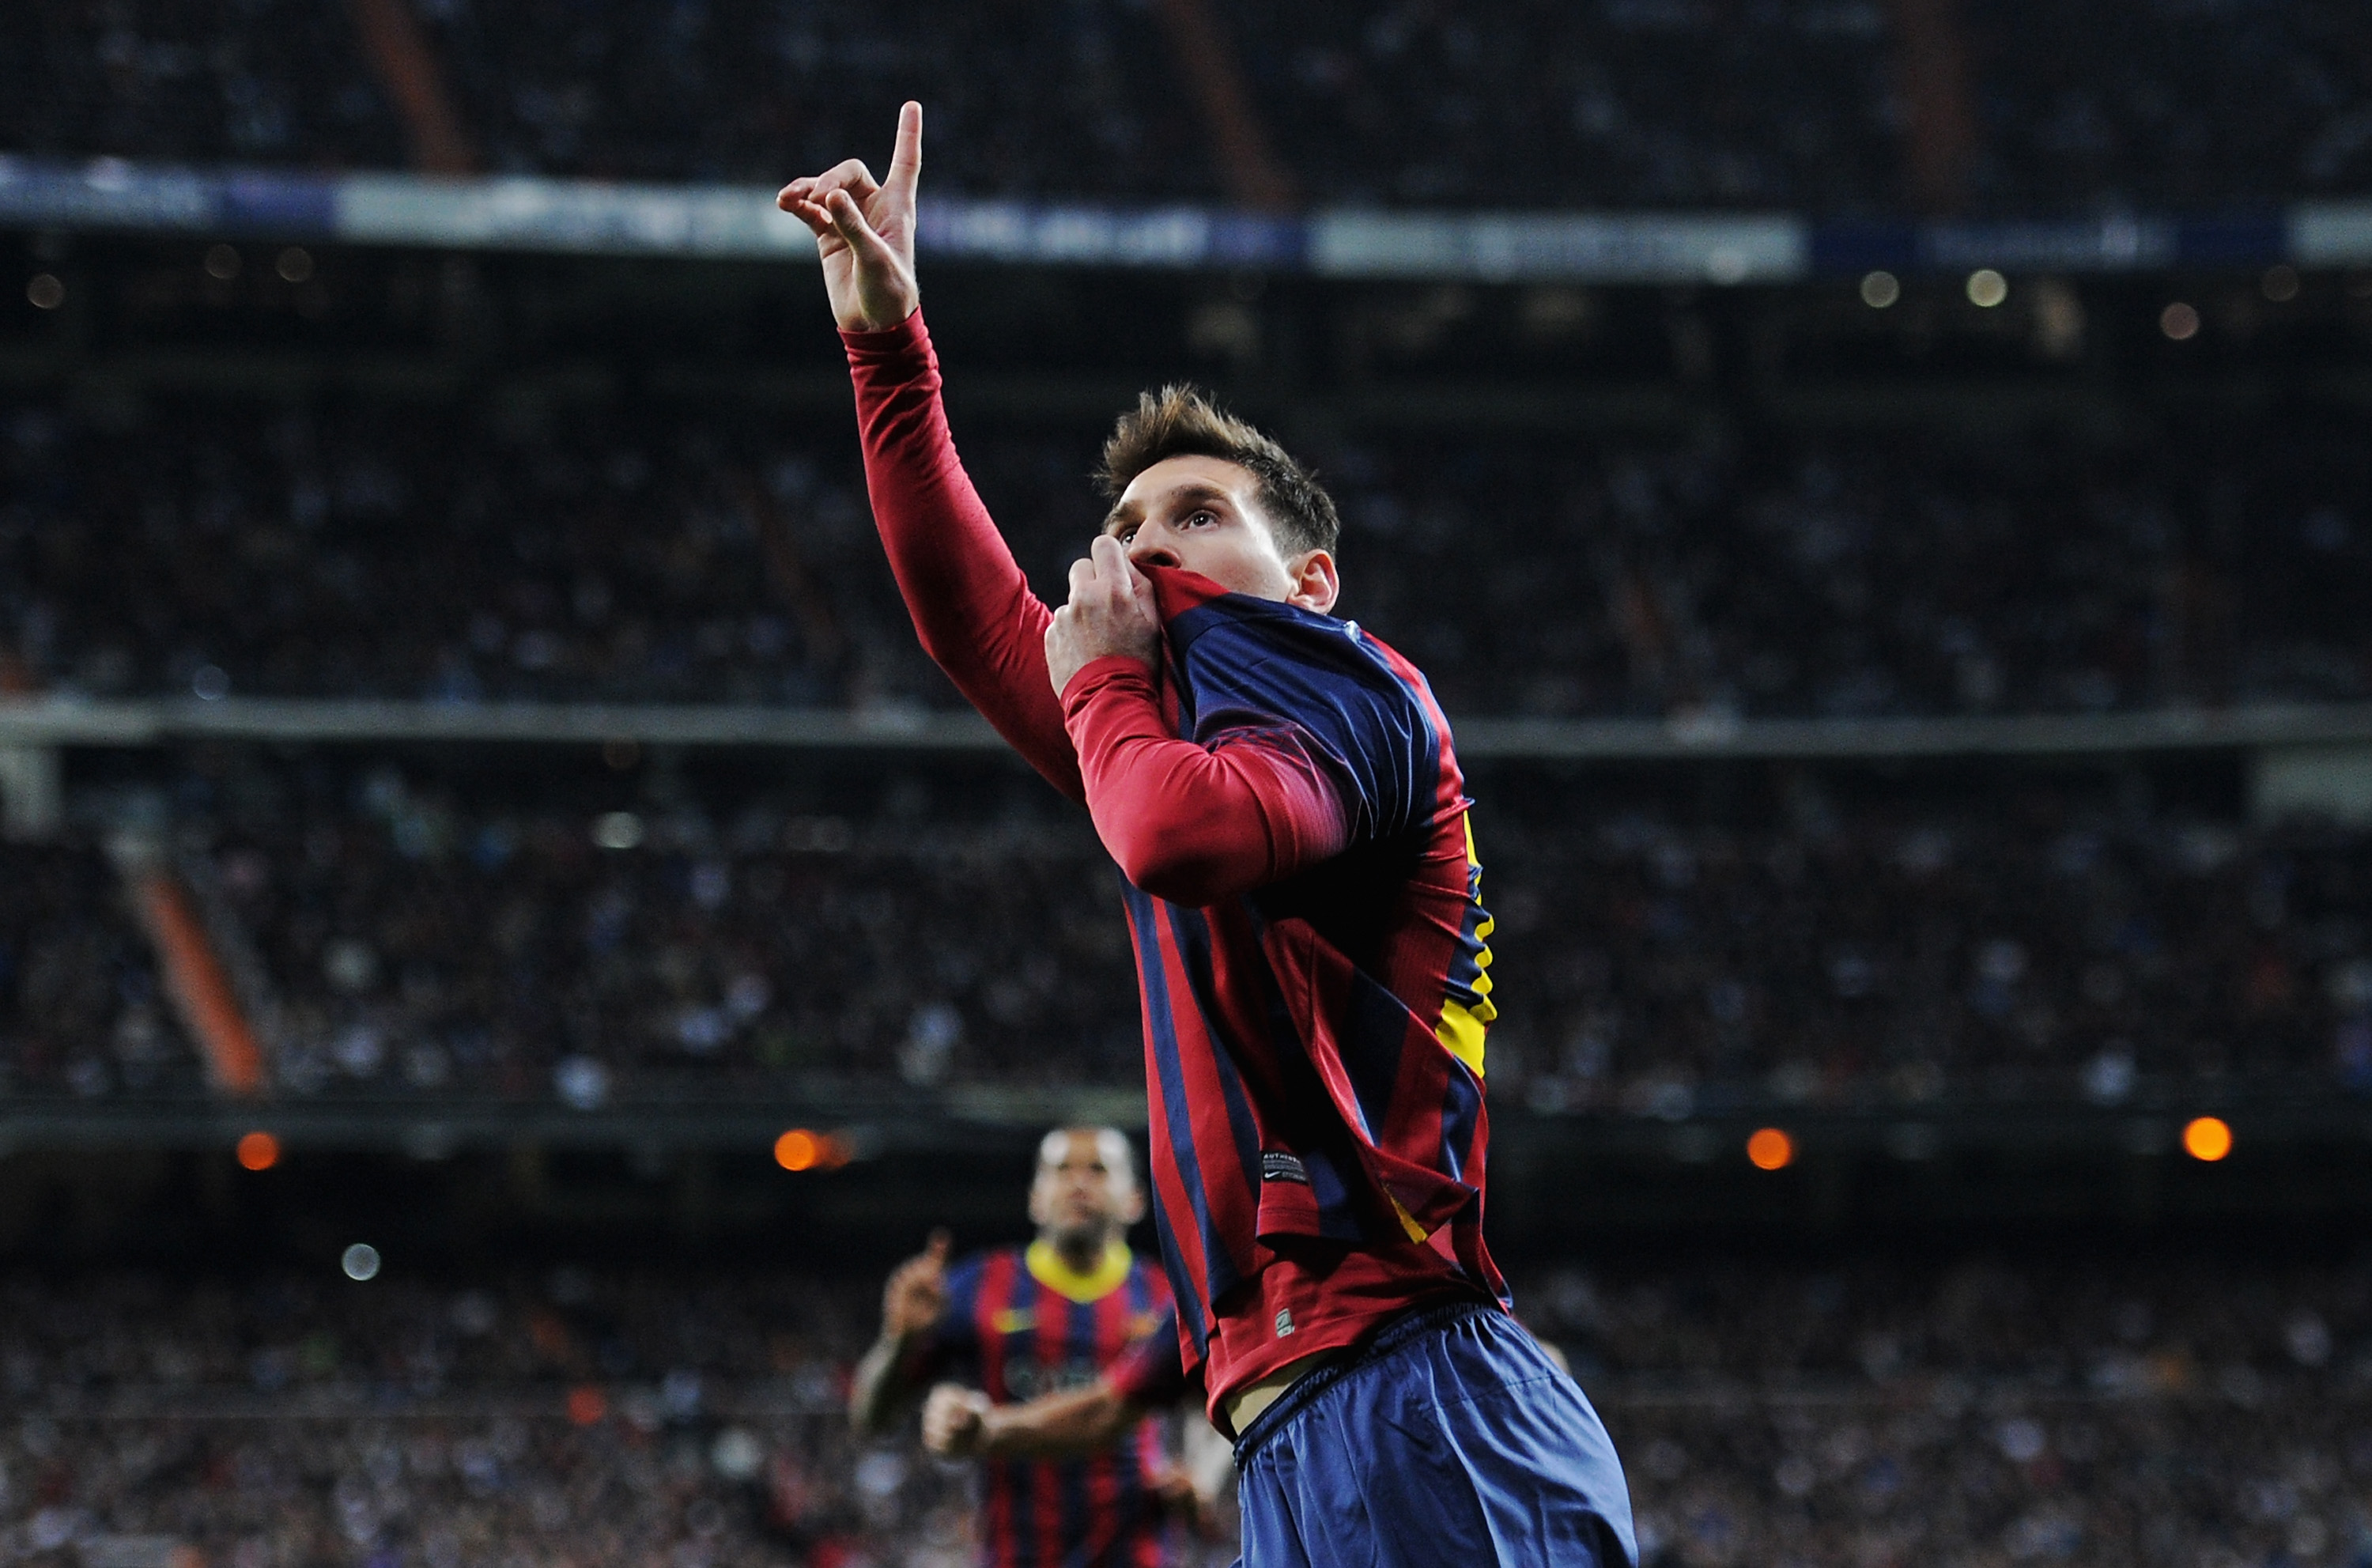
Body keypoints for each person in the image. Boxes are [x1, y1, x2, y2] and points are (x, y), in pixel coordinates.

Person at [783, 105, 1635, 1567]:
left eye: (1193, 512)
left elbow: (1177, 836)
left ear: (1309, 578)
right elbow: (973, 620)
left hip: (1421, 1401)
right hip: (1295, 1433)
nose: (1141, 546)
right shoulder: (1156, 733)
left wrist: (1104, 671)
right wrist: (888, 350)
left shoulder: (1362, 694)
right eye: (1125, 521)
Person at [851, 1126, 1180, 1568]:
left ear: (1136, 1198)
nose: (1078, 1183)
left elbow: (1209, 1408)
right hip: (1014, 1555)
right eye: (1062, 1170)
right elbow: (872, 1416)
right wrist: (900, 1340)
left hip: (1136, 1556)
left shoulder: (1165, 1295)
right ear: (1035, 1198)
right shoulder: (979, 1284)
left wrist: (1197, 1473)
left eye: (1098, 1170)